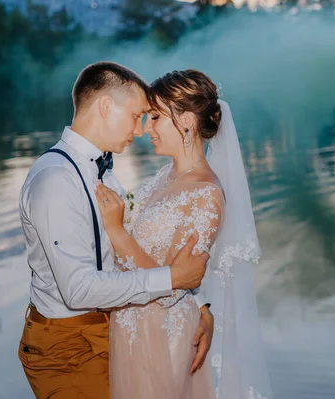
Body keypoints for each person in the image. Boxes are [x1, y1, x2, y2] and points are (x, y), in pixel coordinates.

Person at [17, 62, 213, 399]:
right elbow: (77, 291)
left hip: (113, 332)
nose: (139, 131)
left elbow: (135, 251)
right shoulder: (55, 180)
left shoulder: (104, 172)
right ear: (106, 107)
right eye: (137, 115)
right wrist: (172, 278)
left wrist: (200, 306)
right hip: (68, 348)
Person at [96, 69, 273, 399]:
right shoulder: (165, 175)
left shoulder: (206, 194)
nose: (147, 128)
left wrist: (117, 230)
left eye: (156, 117)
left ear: (188, 122)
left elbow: (173, 288)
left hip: (162, 335)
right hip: (133, 325)